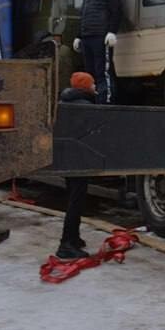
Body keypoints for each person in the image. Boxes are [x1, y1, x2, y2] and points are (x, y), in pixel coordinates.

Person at [56, 72, 97, 259]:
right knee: (76, 202)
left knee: (73, 199)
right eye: (92, 84)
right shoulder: (86, 107)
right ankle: (67, 244)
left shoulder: (64, 102)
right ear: (86, 87)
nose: (95, 87)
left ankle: (74, 237)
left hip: (68, 158)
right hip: (79, 159)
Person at [73, 0, 122, 104]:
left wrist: (112, 32)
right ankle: (93, 103)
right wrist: (79, 35)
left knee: (103, 72)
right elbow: (84, 14)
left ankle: (106, 103)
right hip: (87, 37)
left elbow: (116, 12)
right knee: (89, 73)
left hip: (101, 37)